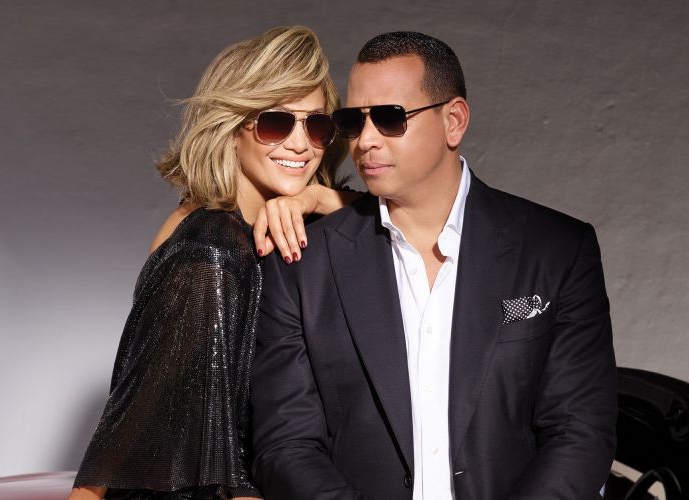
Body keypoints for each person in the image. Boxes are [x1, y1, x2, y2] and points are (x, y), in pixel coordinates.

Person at [250, 31, 617, 500]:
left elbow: (580, 432)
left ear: (454, 121)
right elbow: (286, 446)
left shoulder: (557, 249)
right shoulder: (302, 265)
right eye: (354, 121)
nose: (365, 141)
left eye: (389, 118)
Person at [69, 26, 355, 500]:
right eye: (276, 123)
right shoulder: (213, 251)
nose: (301, 145)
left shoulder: (235, 227)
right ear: (233, 129)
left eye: (317, 125)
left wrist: (320, 197)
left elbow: (403, 222)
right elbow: (149, 431)